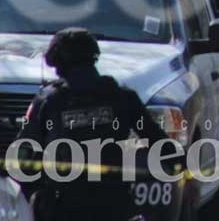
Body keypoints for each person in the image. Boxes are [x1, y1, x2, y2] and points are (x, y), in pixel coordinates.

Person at [16, 28, 170, 221]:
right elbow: (159, 142)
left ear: (56, 61)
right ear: (93, 56)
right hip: (114, 204)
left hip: (62, 207)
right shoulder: (123, 96)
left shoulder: (48, 101)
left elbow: (23, 156)